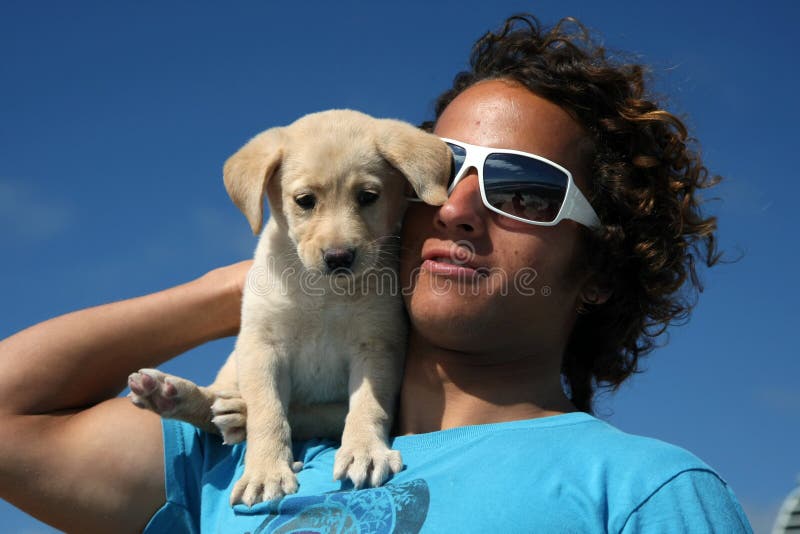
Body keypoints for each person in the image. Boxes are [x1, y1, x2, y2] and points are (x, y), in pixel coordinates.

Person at [0, 14, 752, 533]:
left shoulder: (641, 493)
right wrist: (270, 281)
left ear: (602, 268)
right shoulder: (241, 453)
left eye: (524, 192)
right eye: (439, 173)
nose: (456, 209)